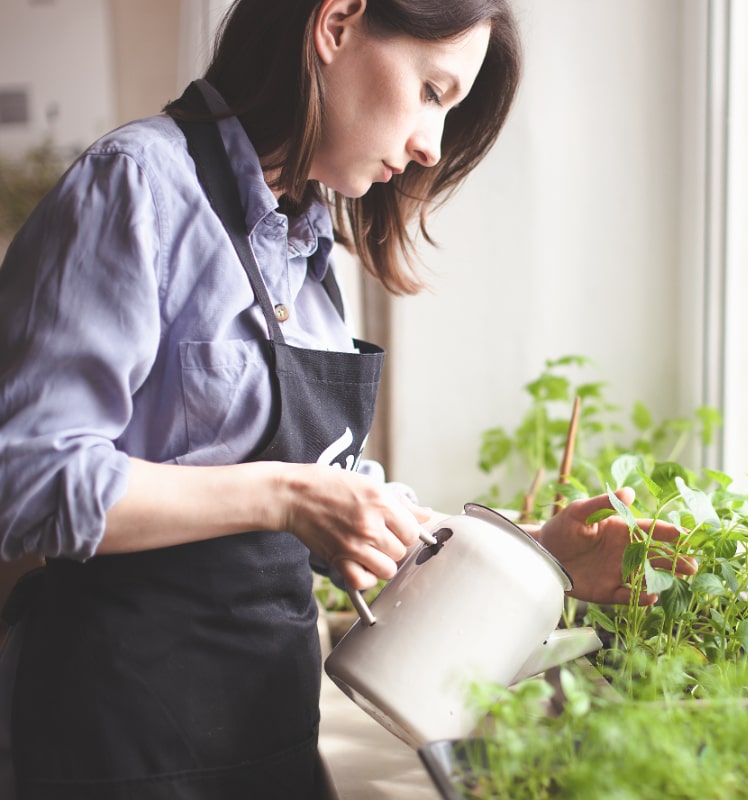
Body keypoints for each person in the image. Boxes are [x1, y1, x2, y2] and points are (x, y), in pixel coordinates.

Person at [0, 1, 690, 797]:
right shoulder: (137, 186)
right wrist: (286, 494)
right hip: (116, 744)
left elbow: (341, 507)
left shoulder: (307, 241)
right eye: (433, 91)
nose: (432, 144)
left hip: (263, 736)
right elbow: (25, 479)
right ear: (336, 24)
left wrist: (533, 557)